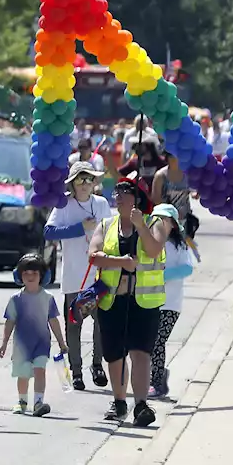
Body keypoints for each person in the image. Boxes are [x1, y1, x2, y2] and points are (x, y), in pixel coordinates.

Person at [88, 177, 170, 426]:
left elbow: (155, 250)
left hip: (144, 301)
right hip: (113, 301)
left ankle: (141, 404)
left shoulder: (155, 223)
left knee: (141, 353)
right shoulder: (106, 225)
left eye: (126, 191)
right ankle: (119, 401)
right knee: (115, 355)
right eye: (118, 191)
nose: (119, 195)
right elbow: (93, 255)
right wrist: (121, 262)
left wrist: (140, 226)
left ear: (138, 199)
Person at [44, 161, 111, 390]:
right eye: (80, 179)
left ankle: (97, 365)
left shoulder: (101, 204)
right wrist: (78, 228)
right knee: (74, 325)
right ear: (72, 184)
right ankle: (76, 371)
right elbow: (48, 231)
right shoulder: (64, 205)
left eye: (89, 179)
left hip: (98, 277)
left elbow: (111, 232)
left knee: (102, 323)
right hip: (74, 276)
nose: (84, 184)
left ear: (95, 182)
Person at [0, 254, 68, 416]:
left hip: (41, 343)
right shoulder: (15, 299)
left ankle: (38, 402)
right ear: (19, 276)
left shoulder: (48, 298)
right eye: (26, 273)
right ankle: (22, 401)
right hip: (22, 345)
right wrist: (4, 343)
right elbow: (9, 322)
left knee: (39, 370)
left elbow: (53, 321)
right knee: (23, 374)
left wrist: (61, 342)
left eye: (34, 273)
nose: (30, 277)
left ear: (42, 276)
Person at [148, 204, 193, 399]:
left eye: (164, 220)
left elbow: (187, 268)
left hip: (170, 304)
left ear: (173, 225)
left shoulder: (178, 245)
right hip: (149, 301)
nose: (159, 224)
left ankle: (155, 383)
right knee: (148, 343)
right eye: (156, 219)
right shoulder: (147, 243)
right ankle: (157, 374)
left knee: (158, 342)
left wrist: (164, 274)